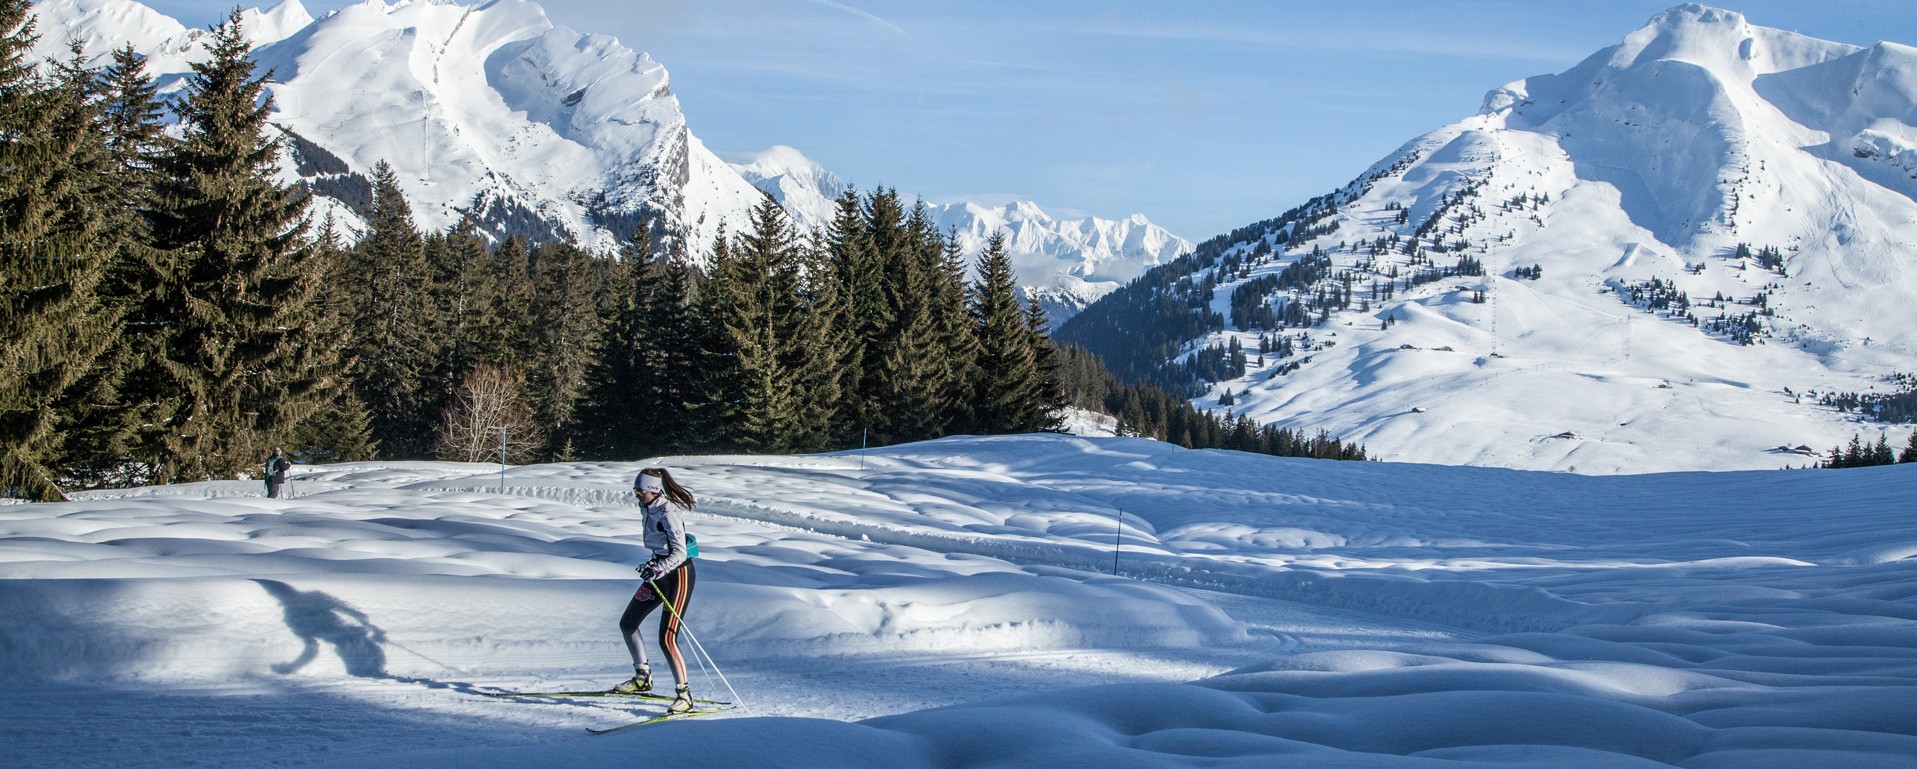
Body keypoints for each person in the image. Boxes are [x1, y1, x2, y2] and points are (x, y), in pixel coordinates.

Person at [613, 467, 698, 713]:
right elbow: (660, 547)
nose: (638, 497)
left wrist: (658, 569)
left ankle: (684, 695)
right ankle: (642, 677)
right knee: (628, 624)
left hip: (679, 575)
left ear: (654, 490)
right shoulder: (648, 507)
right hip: (659, 572)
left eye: (641, 492)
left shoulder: (668, 511)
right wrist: (653, 564)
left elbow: (680, 552)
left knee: (667, 638)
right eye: (635, 492)